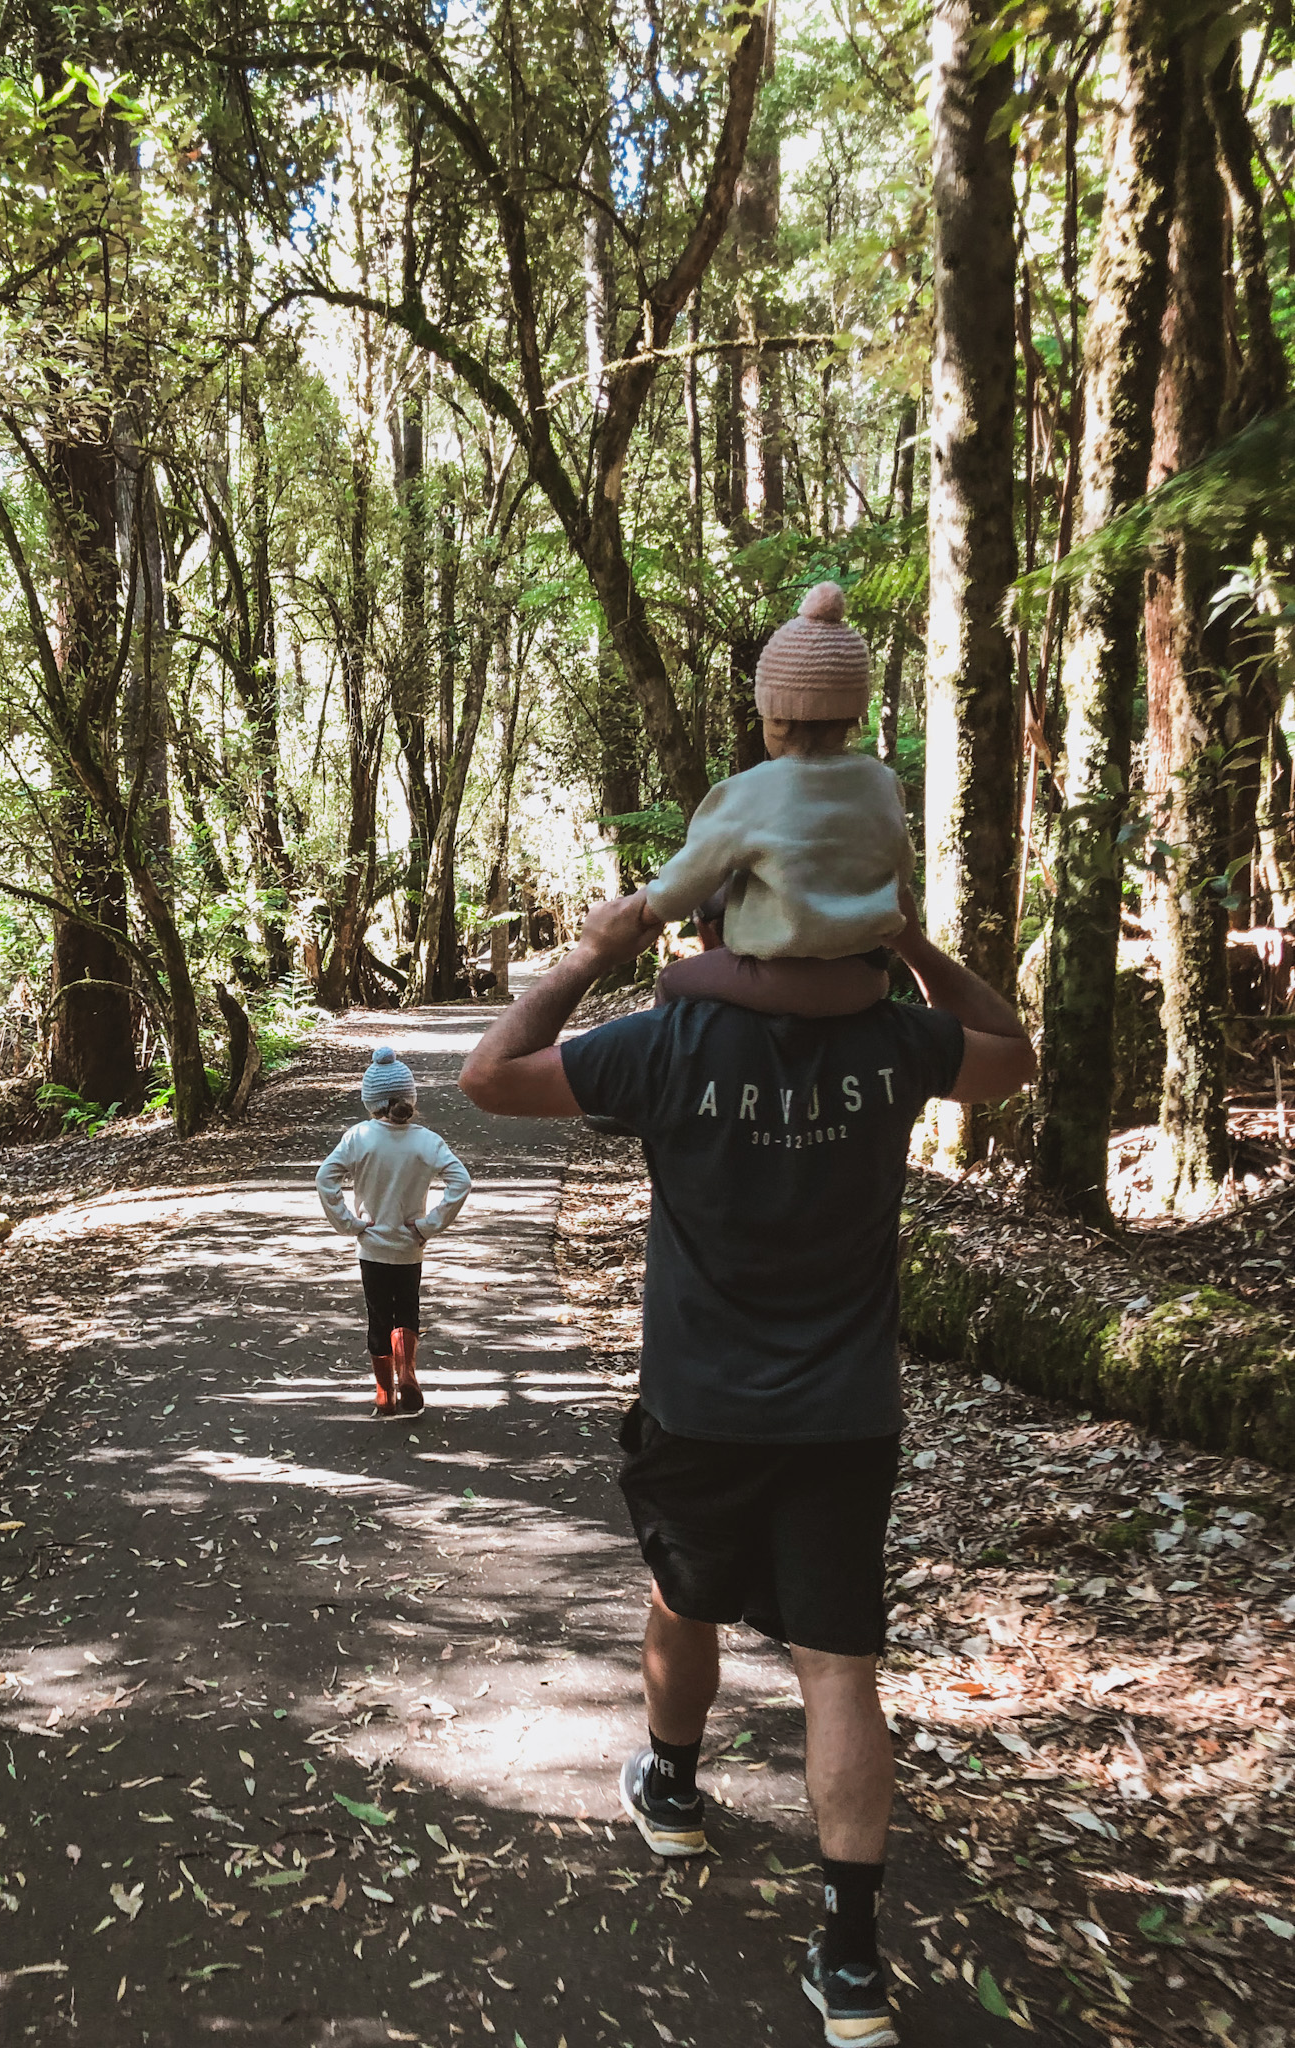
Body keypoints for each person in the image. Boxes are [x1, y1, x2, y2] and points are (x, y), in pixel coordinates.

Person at [458, 887, 1034, 2048]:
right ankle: (853, 1960)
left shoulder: (669, 1040)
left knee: (684, 1594)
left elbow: (489, 1075)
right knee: (839, 1666)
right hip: (845, 1413)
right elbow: (1013, 1056)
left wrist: (593, 949)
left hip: (701, 1404)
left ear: (712, 928)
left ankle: (671, 1789)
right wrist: (909, 936)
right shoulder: (893, 1038)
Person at [647, 583, 910, 1019]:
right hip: (867, 979)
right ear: (853, 715)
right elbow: (901, 874)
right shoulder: (882, 782)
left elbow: (676, 892)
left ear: (776, 717)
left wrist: (639, 911)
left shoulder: (747, 791)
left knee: (672, 984)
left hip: (776, 980)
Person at [317, 1045, 471, 1418]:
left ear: (370, 1101)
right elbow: (460, 1182)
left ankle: (384, 1394)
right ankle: (408, 1373)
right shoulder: (426, 1141)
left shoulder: (358, 1137)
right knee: (407, 1312)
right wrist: (428, 1225)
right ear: (410, 1098)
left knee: (378, 1317)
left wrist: (350, 1225)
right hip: (409, 1246)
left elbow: (326, 1180)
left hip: (372, 1248)